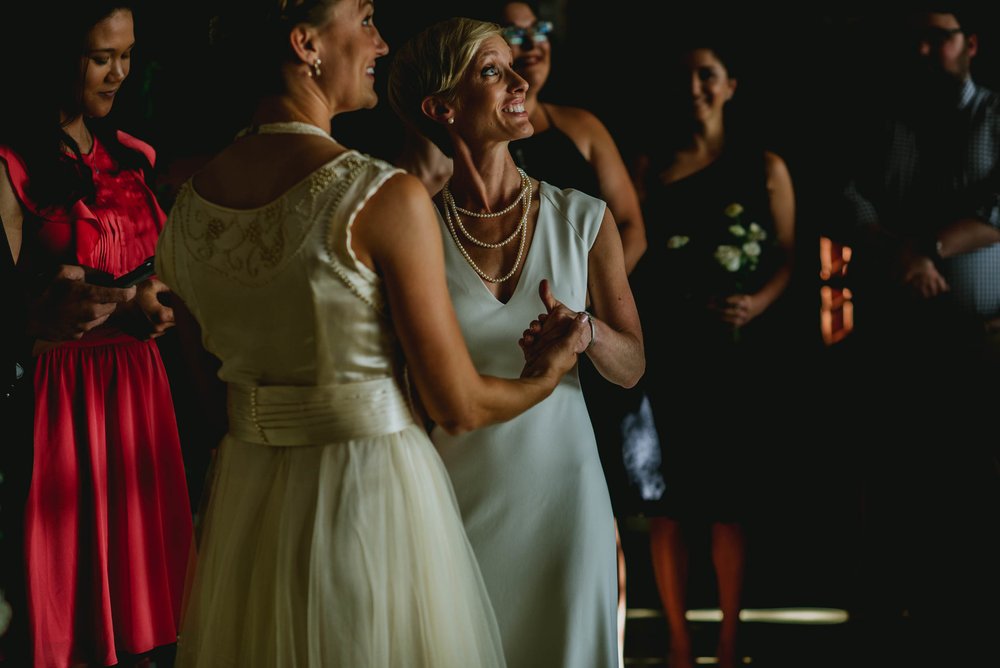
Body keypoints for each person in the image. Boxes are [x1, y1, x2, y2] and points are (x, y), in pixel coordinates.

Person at [158, 2, 586, 666]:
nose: (380, 42)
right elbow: (459, 406)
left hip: (250, 500)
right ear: (307, 45)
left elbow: (210, 403)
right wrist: (546, 374)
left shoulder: (184, 208)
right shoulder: (379, 196)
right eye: (362, 19)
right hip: (370, 495)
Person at [389, 17, 644, 668]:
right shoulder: (406, 232)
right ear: (441, 107)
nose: (521, 80)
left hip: (566, 494)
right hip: (452, 497)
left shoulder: (583, 217)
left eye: (514, 67)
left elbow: (632, 367)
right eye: (492, 70)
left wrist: (585, 334)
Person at [0, 3, 194, 665]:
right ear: (57, 57)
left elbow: (164, 266)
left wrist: (160, 300)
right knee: (65, 616)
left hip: (139, 392)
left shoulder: (131, 154)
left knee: (148, 616)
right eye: (100, 56)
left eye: (126, 54)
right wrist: (38, 314)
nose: (118, 72)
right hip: (59, 396)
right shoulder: (11, 160)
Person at [840, 7, 1000, 663]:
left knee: (969, 483)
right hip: (896, 333)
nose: (929, 48)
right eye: (921, 39)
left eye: (942, 36)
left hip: (976, 338)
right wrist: (900, 255)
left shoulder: (992, 116)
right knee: (894, 477)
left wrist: (927, 248)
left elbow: (996, 208)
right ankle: (888, 630)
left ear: (971, 45)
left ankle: (968, 625)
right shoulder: (887, 117)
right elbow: (851, 199)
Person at [630, 41, 795, 668]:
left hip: (737, 356)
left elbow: (787, 252)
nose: (696, 87)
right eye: (686, 77)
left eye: (709, 76)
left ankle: (729, 642)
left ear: (731, 86)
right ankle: (676, 642)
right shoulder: (651, 166)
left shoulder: (765, 166)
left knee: (730, 499)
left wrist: (757, 302)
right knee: (668, 499)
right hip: (669, 351)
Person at [496, 1, 646, 274]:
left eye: (538, 29)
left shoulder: (582, 125)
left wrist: (589, 295)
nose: (532, 44)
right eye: (515, 34)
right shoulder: (469, 138)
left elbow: (630, 226)